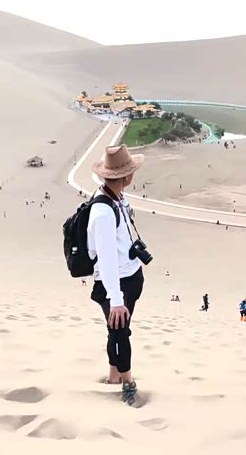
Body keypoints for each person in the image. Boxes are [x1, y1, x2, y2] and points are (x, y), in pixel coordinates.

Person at [87, 145, 146, 406]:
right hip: (116, 284)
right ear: (127, 176)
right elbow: (106, 257)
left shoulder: (115, 198)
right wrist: (116, 299)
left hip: (128, 277)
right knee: (121, 333)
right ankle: (128, 383)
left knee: (116, 331)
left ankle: (113, 376)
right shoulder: (103, 212)